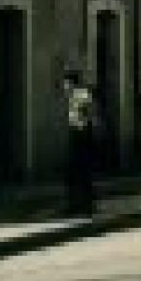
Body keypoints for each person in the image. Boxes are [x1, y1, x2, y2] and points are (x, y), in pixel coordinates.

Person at [60, 68, 98, 216]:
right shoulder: (75, 96)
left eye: (66, 83)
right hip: (80, 135)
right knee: (78, 174)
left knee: (79, 173)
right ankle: (81, 205)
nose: (64, 87)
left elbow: (88, 114)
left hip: (82, 137)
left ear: (71, 83)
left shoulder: (80, 95)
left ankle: (82, 205)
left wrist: (83, 127)